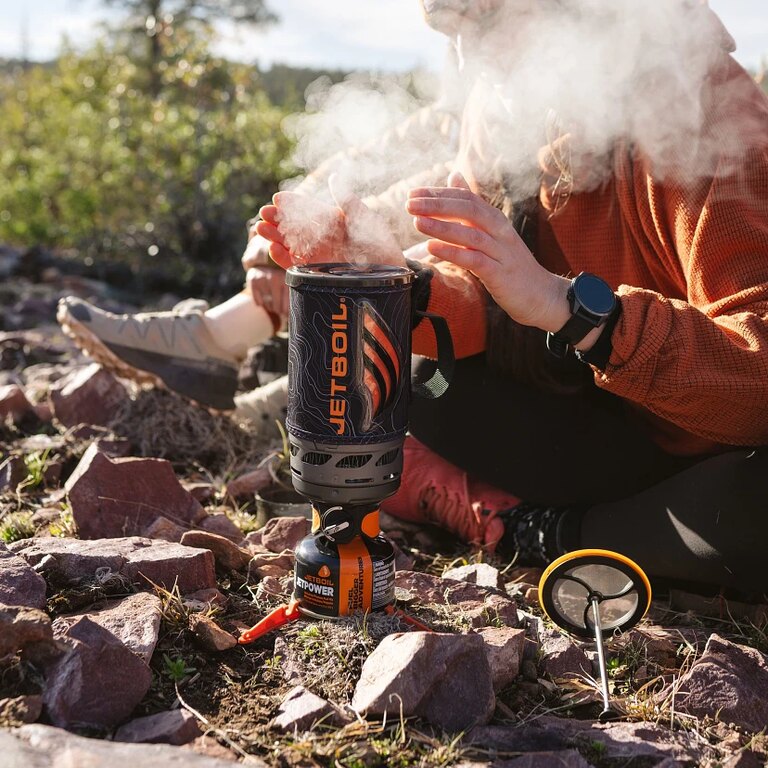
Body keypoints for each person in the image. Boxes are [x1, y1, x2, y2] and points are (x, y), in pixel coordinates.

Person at [254, 0, 768, 595]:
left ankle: (538, 531)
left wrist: (570, 309)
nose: (467, 56)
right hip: (609, 428)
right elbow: (487, 303)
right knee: (419, 374)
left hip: (719, 452)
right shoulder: (499, 105)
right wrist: (396, 282)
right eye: (450, 28)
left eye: (488, 19)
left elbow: (757, 385)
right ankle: (587, 531)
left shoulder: (703, 110)